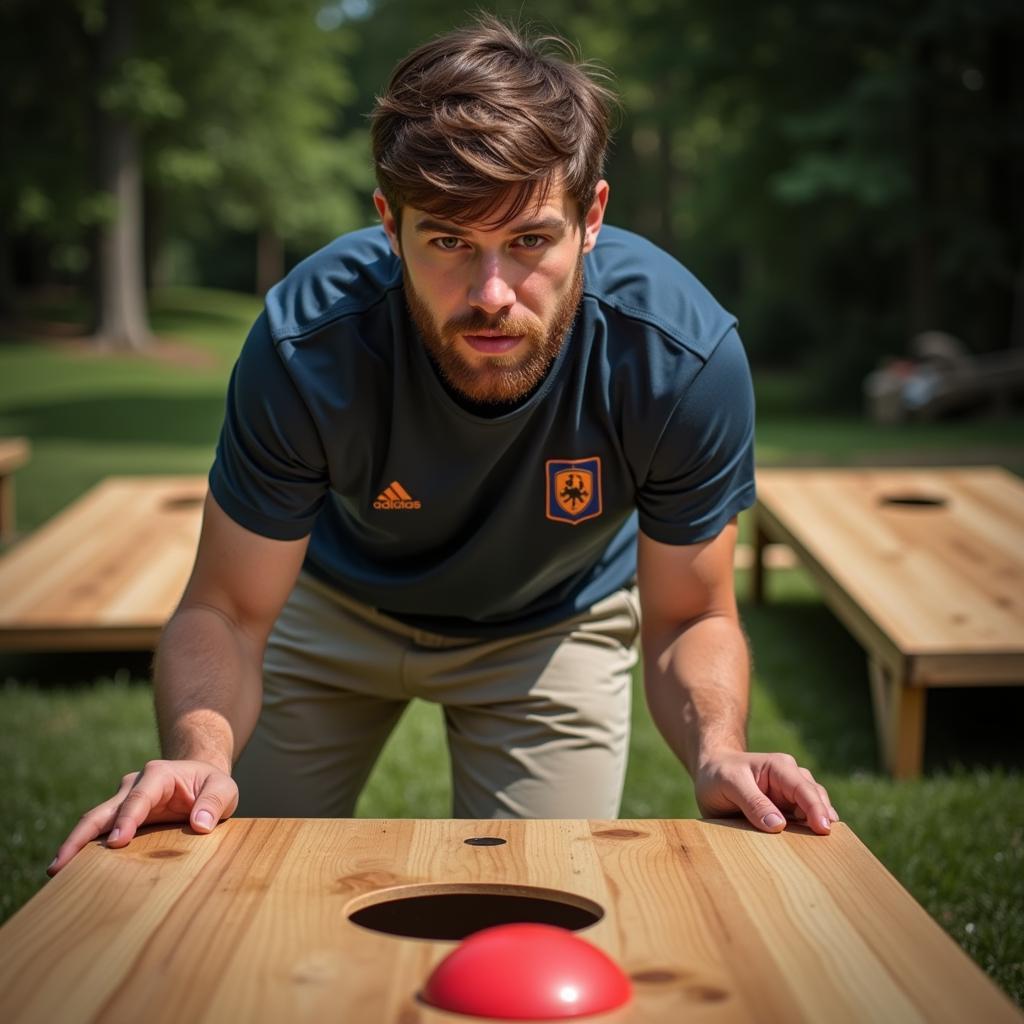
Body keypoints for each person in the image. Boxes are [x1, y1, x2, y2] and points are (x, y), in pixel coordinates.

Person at [49, 16, 836, 875]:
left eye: (530, 240)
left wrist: (719, 747)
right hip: (330, 608)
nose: (492, 293)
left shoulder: (679, 359)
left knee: (536, 914)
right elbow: (227, 611)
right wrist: (201, 755)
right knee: (217, 872)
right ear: (390, 223)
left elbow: (691, 614)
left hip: (550, 625)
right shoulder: (304, 345)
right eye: (450, 241)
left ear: (593, 215)